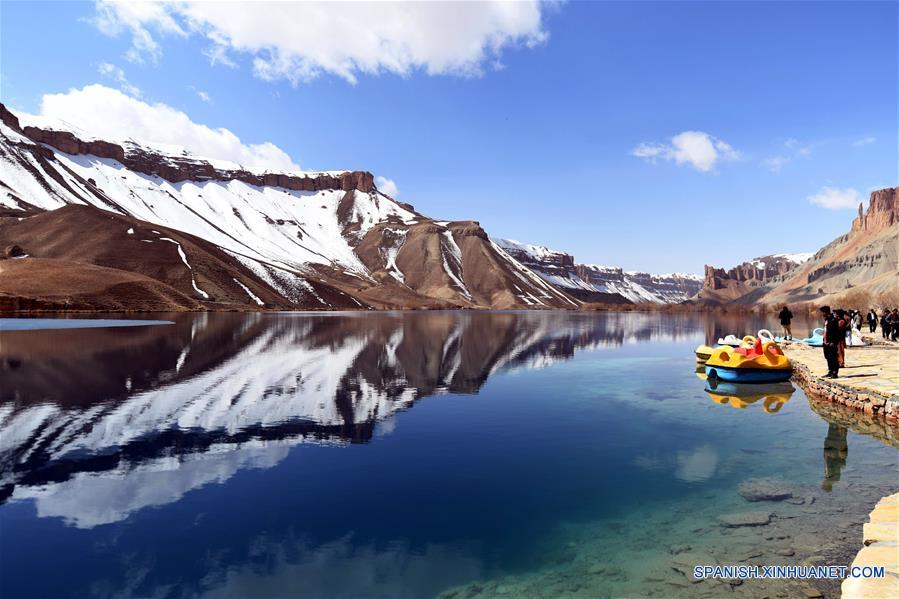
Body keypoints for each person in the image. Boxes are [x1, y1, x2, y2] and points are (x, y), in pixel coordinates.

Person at [821, 306, 841, 378]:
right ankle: (830, 371)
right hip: (826, 342)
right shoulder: (827, 320)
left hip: (831, 342)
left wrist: (833, 341)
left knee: (833, 357)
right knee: (828, 357)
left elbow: (836, 332)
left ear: (826, 312)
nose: (822, 314)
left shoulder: (833, 320)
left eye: (823, 312)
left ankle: (835, 372)